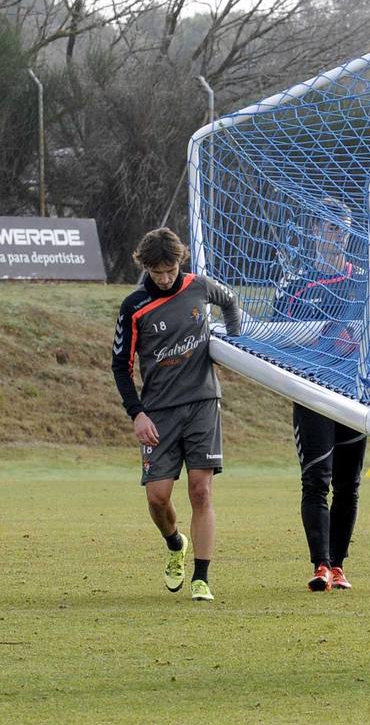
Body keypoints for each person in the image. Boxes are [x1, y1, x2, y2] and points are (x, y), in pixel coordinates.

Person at [112, 227, 241, 602]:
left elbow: (231, 303)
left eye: (170, 270)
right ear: (146, 268)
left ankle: (202, 578)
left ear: (180, 261)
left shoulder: (200, 286)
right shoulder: (134, 307)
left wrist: (232, 343)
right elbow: (121, 366)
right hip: (158, 414)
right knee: (157, 497)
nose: (165, 278)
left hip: (203, 403)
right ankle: (174, 544)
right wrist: (137, 414)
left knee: (201, 491)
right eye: (157, 273)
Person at [275, 198, 366, 592]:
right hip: (312, 394)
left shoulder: (365, 279)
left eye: (342, 227)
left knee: (350, 483)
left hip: (355, 395)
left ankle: (340, 565)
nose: (337, 234)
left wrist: (354, 338)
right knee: (316, 481)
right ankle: (320, 565)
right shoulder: (294, 285)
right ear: (313, 231)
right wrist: (324, 339)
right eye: (330, 226)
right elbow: (276, 340)